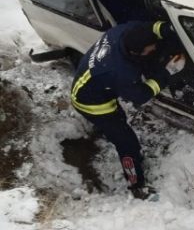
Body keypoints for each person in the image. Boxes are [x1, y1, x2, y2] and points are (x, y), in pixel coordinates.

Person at [70, 20, 186, 199]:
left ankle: (114, 138)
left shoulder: (124, 31)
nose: (154, 49)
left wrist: (167, 28)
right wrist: (167, 72)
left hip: (90, 83)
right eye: (150, 49)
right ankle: (136, 184)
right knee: (126, 142)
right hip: (92, 104)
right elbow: (140, 96)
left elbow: (150, 27)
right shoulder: (121, 72)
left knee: (119, 121)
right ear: (136, 52)